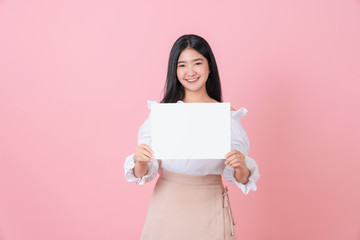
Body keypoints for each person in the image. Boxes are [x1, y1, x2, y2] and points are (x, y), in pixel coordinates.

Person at [124, 34, 260, 240]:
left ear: (209, 66)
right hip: (167, 207)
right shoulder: (163, 114)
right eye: (182, 65)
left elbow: (241, 177)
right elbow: (142, 172)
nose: (190, 72)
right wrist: (140, 161)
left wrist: (241, 166)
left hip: (210, 206)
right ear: (175, 70)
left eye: (197, 63)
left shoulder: (226, 115)